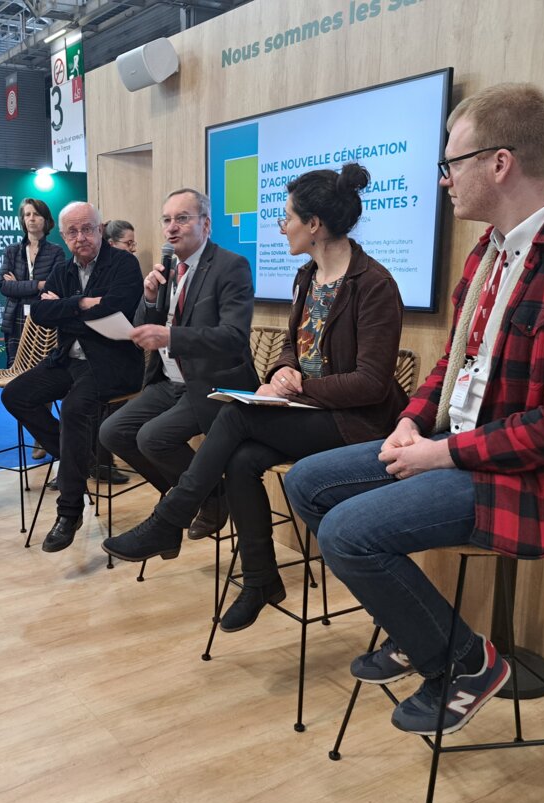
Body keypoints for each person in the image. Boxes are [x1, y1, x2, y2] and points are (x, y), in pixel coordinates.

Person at [283, 82, 544, 736]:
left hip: (517, 475)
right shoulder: (489, 250)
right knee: (307, 482)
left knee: (348, 533)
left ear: (499, 163)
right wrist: (411, 420)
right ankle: (425, 631)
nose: (443, 182)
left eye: (451, 164)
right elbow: (455, 363)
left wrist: (441, 452)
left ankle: (467, 662)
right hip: (456, 451)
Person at [104, 166, 406, 633]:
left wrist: (298, 386)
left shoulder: (374, 285)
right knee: (242, 458)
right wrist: (282, 369)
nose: (281, 226)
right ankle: (261, 579)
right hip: (309, 412)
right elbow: (294, 345)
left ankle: (171, 518)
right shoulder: (307, 275)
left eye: (286, 218)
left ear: (314, 225)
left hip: (356, 424)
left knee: (235, 419)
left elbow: (371, 384)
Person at [99, 188, 257, 539]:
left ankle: (194, 500)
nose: (172, 228)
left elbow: (233, 337)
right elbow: (145, 322)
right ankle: (202, 496)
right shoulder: (170, 268)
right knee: (112, 432)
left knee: (152, 438)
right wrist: (151, 296)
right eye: (167, 220)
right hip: (168, 382)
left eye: (182, 219)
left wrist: (171, 337)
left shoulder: (230, 266)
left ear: (206, 224)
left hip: (211, 384)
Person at [1, 201, 143, 553]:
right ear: (63, 236)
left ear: (100, 228)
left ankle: (70, 510)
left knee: (75, 410)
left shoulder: (123, 263)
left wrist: (66, 307)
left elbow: (117, 307)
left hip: (111, 364)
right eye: (73, 232)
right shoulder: (65, 270)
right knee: (14, 396)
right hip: (68, 359)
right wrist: (82, 304)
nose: (81, 237)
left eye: (88, 229)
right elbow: (42, 313)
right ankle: (79, 459)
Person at [0, 198, 66, 367]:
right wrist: (38, 285)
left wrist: (19, 286)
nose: (31, 218)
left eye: (36, 214)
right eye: (27, 214)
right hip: (16, 319)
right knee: (14, 370)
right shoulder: (12, 251)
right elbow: (4, 285)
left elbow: (54, 286)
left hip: (43, 318)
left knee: (42, 371)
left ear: (46, 219)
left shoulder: (56, 251)